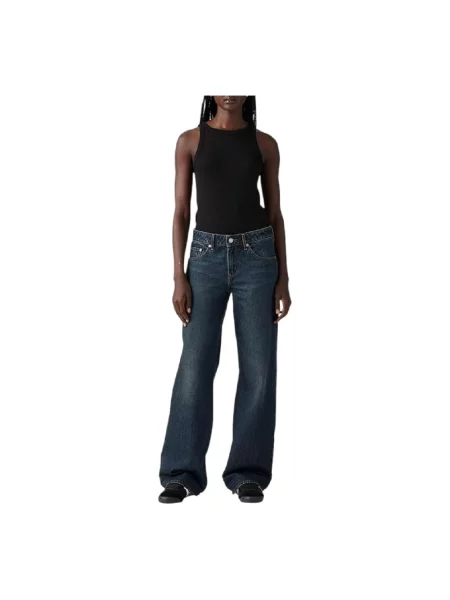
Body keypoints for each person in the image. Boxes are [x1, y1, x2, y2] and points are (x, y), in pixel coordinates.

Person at [158, 96, 291, 503]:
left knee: (258, 368)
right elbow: (181, 211)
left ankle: (247, 472)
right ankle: (181, 472)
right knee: (195, 364)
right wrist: (178, 275)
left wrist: (283, 277)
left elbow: (275, 213)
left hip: (258, 258)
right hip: (205, 259)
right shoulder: (189, 141)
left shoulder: (264, 144)